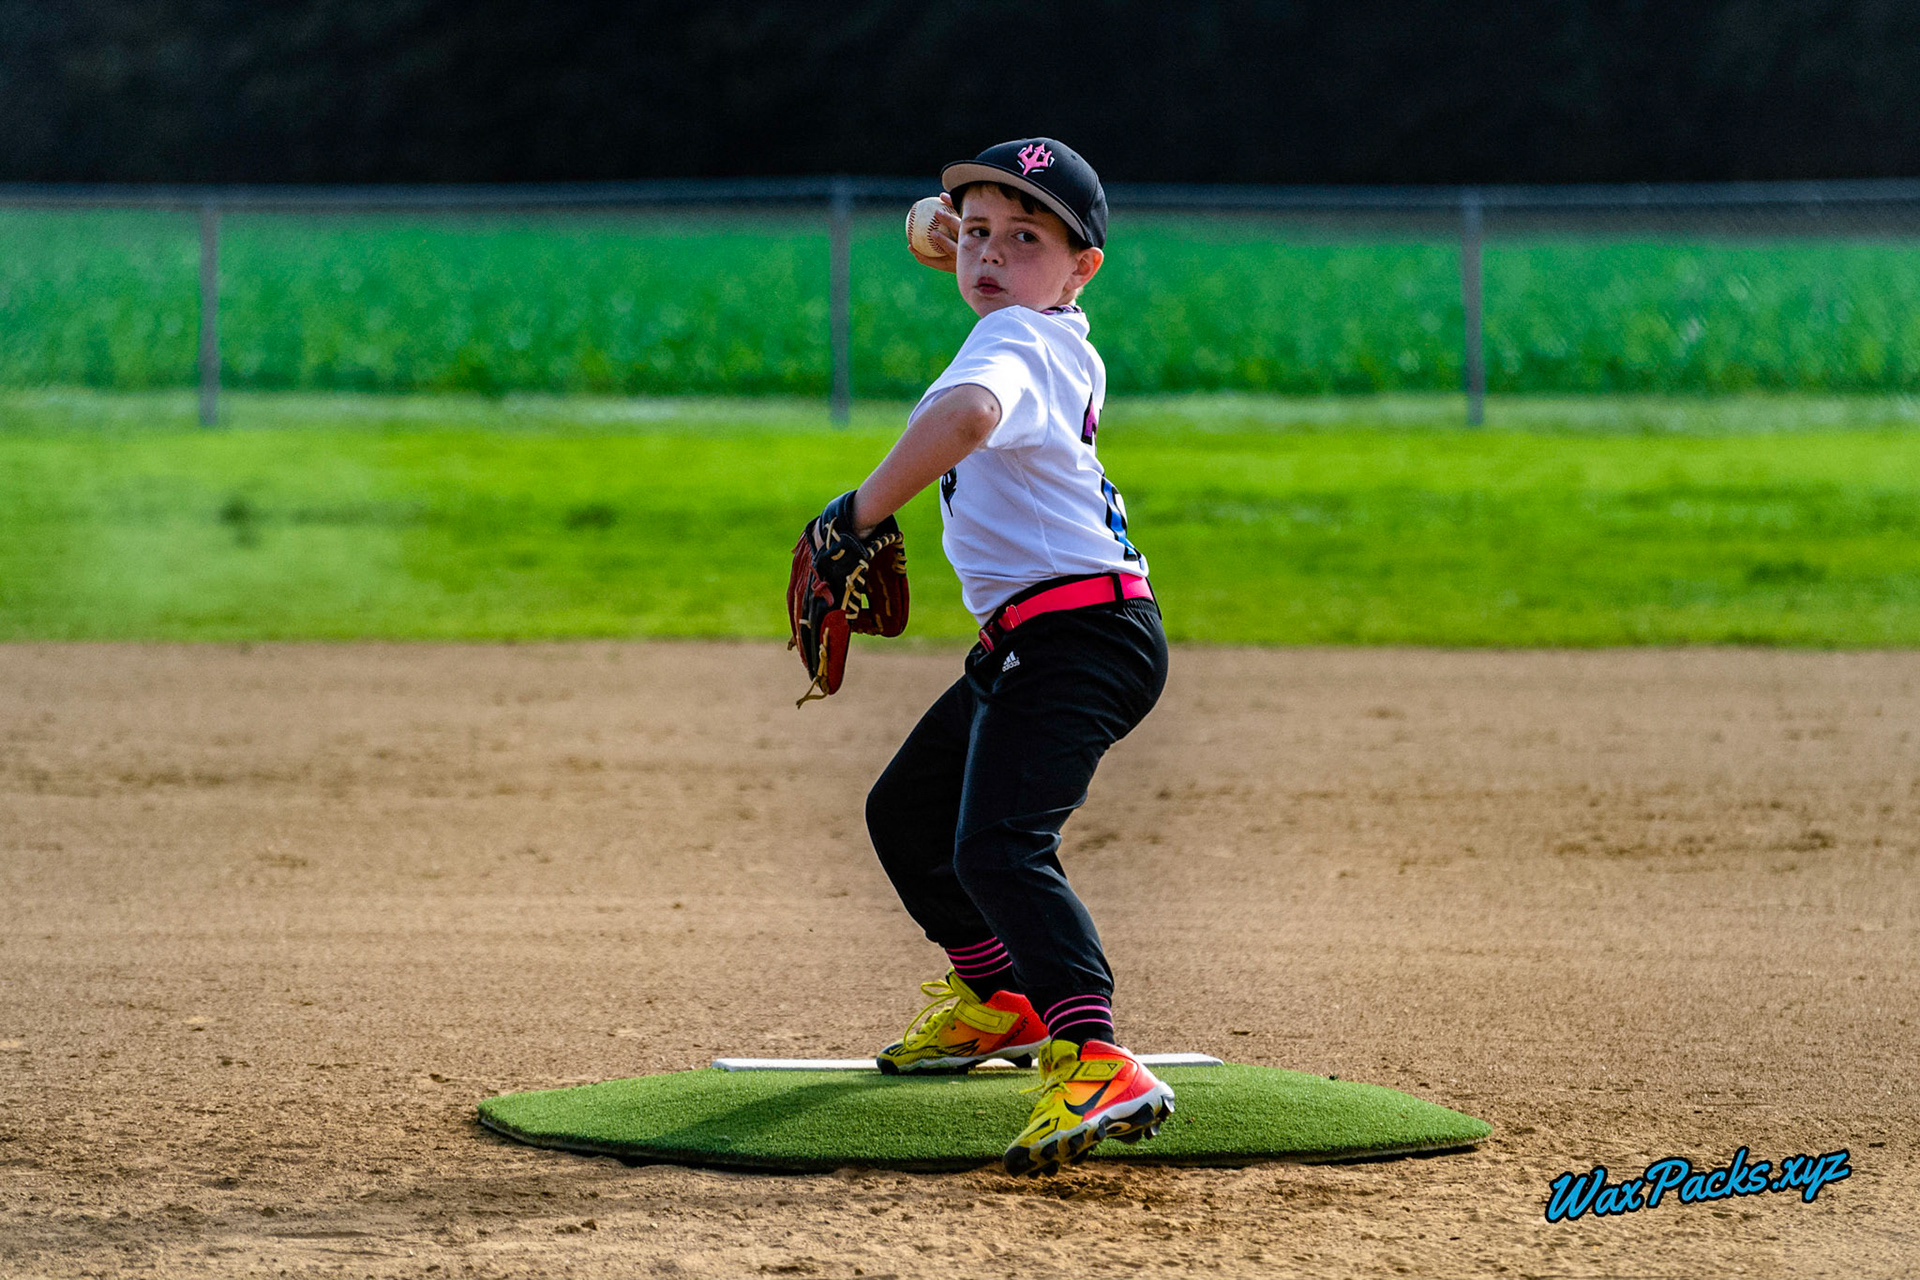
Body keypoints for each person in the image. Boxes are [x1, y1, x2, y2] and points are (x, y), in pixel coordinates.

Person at [821, 137, 1174, 1176]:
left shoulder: (1015, 337)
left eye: (1026, 236)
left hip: (1078, 634)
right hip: (1044, 634)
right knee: (909, 815)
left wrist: (856, 511)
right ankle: (1003, 999)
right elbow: (983, 248)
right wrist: (976, 236)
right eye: (976, 232)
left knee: (998, 844)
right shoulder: (1047, 319)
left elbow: (971, 412)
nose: (987, 252)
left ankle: (1093, 1050)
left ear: (1081, 267)